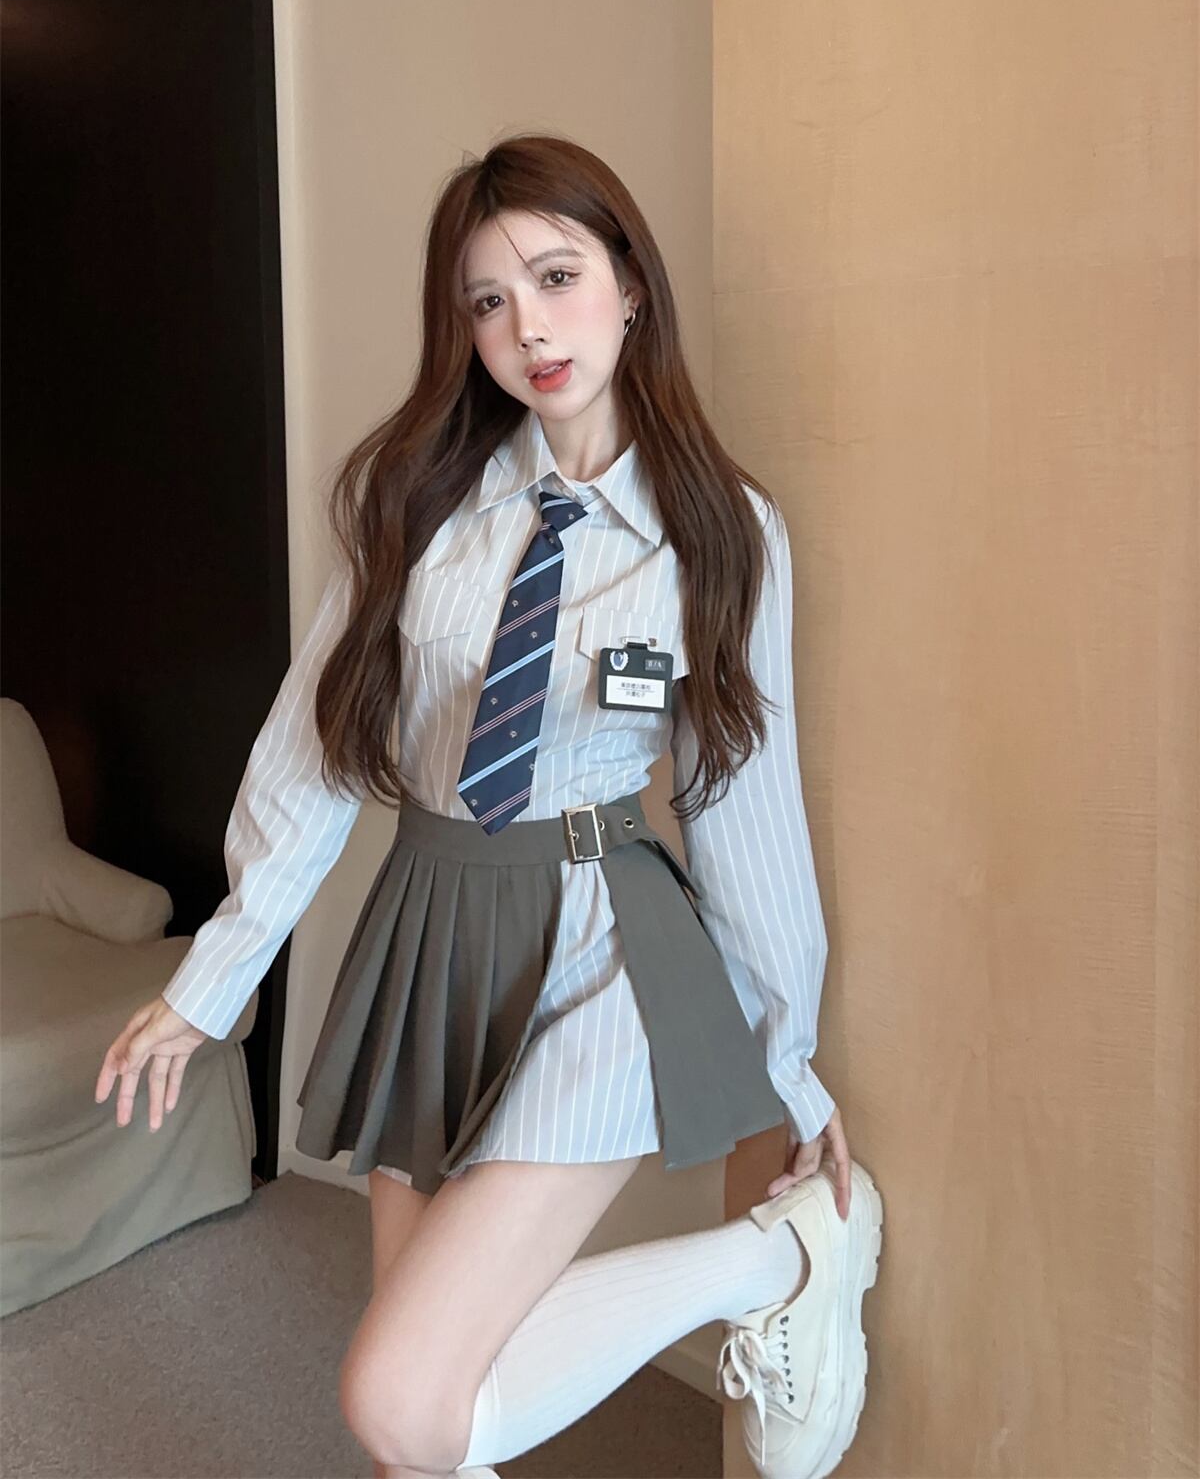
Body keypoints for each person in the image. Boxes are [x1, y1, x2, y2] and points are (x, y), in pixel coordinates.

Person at [95, 133, 883, 1479]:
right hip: (433, 929)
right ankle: (774, 1262)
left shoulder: (723, 534)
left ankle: (783, 1260)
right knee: (425, 1440)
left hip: (610, 939)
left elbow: (740, 802)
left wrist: (788, 1060)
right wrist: (212, 981)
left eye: (557, 277)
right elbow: (317, 751)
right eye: (488, 300)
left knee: (402, 1394)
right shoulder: (418, 503)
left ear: (631, 286)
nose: (529, 328)